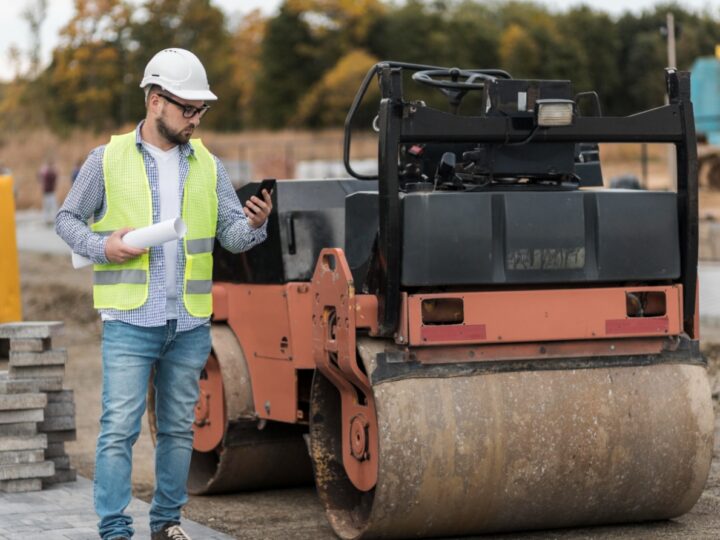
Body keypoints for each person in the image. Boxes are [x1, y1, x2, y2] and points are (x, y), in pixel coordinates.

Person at [55, 48, 273, 540]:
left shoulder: (209, 166)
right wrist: (102, 246)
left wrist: (254, 224)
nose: (196, 119)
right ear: (155, 101)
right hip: (130, 318)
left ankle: (167, 524)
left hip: (190, 322)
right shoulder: (105, 159)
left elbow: (230, 237)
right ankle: (114, 530)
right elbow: (66, 219)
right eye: (187, 109)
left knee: (178, 430)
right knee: (118, 431)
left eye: (201, 110)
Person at [38, 158, 58, 225]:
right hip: (46, 192)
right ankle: (46, 220)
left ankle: (52, 219)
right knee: (47, 207)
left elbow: (54, 177)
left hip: (51, 192)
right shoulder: (46, 172)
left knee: (53, 207)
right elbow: (39, 177)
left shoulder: (48, 172)